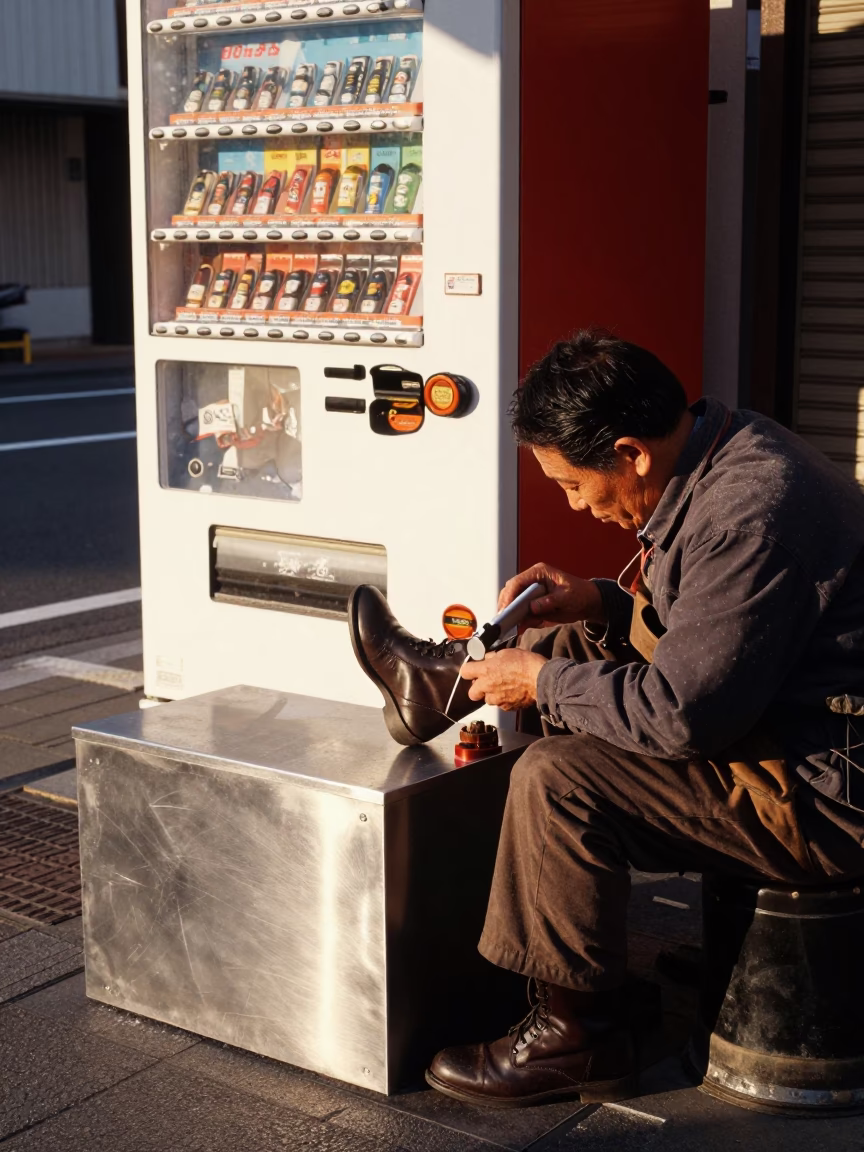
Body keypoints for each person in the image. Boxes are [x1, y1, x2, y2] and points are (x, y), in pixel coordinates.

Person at [348, 329, 864, 1108]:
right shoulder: (725, 444)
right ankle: (442, 684)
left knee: (560, 780)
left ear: (631, 452)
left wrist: (545, 684)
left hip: (828, 798)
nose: (573, 505)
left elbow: (685, 716)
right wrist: (602, 601)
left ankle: (576, 1036)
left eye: (571, 484)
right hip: (793, 727)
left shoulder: (744, 517)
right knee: (576, 638)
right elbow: (719, 636)